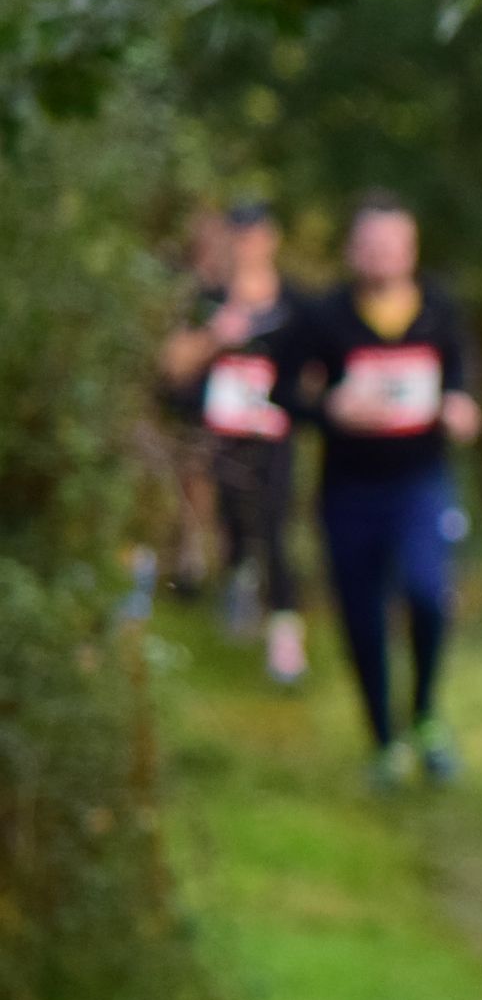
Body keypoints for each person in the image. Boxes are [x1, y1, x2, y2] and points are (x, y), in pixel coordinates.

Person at [273, 193, 480, 786]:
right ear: (352, 250)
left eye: (393, 245)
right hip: (349, 488)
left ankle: (425, 714)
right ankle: (383, 741)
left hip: (421, 481)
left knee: (427, 593)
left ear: (411, 250)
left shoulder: (438, 306)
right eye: (371, 245)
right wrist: (328, 408)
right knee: (361, 615)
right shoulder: (325, 316)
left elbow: (461, 371)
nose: (382, 256)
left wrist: (462, 404)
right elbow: (280, 390)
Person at [155, 200, 309, 681]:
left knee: (275, 523)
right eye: (238, 235)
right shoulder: (209, 298)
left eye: (254, 234)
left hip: (274, 432)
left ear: (271, 237)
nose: (246, 245)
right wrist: (216, 336)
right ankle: (239, 582)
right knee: (232, 523)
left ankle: (285, 635)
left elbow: (317, 364)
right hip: (220, 434)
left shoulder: (294, 302)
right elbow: (171, 365)